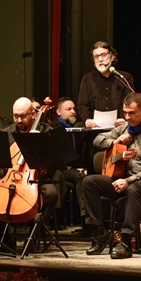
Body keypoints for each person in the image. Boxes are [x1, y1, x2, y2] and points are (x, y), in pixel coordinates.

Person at [81, 92, 141, 259]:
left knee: (133, 190)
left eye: (132, 113)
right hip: (125, 178)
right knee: (89, 182)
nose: (127, 117)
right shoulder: (125, 127)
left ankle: (126, 241)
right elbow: (97, 139)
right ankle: (100, 232)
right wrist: (114, 142)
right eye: (125, 112)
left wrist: (128, 181)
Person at [0, 97, 60, 251]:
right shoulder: (7, 133)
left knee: (51, 193)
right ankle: (3, 240)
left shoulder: (46, 132)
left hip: (37, 179)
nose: (19, 120)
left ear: (33, 114)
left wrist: (46, 167)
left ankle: (33, 238)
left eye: (23, 116)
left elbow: (55, 162)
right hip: (11, 178)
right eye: (15, 116)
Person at [76, 41, 134, 128]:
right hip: (94, 127)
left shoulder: (124, 77)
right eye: (96, 56)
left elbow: (128, 102)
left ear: (112, 56)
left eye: (103, 55)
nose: (100, 60)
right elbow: (82, 105)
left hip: (119, 126)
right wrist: (87, 120)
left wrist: (123, 118)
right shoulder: (87, 79)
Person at [52, 96, 89, 229]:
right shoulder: (52, 128)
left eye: (73, 109)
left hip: (74, 169)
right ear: (58, 112)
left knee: (83, 178)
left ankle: (86, 219)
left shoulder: (79, 128)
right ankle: (56, 219)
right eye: (68, 109)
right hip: (58, 168)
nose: (73, 111)